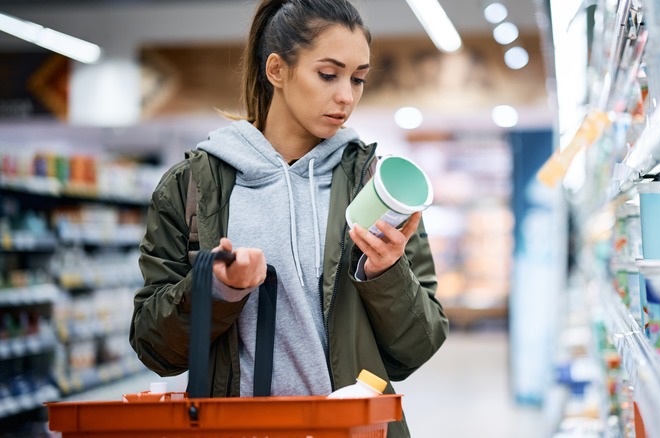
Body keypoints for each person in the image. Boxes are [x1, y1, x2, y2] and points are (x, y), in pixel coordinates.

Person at [129, 0, 449, 436]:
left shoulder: (375, 187)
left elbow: (417, 347)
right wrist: (220, 288)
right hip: (237, 429)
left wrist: (386, 273)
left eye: (358, 79)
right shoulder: (192, 187)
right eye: (328, 74)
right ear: (277, 70)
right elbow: (153, 346)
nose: (346, 96)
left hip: (352, 430)